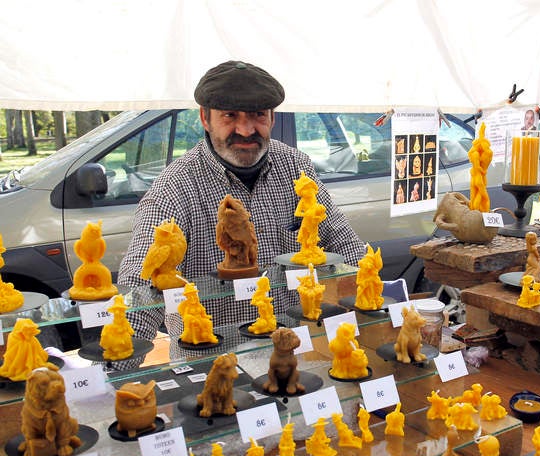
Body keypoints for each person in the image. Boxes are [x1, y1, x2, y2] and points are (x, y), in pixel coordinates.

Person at [118, 60, 364, 341]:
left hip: (298, 345)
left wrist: (379, 307)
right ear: (204, 118)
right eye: (230, 116)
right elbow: (141, 279)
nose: (246, 130)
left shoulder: (296, 166)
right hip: (212, 355)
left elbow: (345, 244)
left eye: (258, 115)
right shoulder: (176, 185)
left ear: (271, 118)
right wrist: (117, 358)